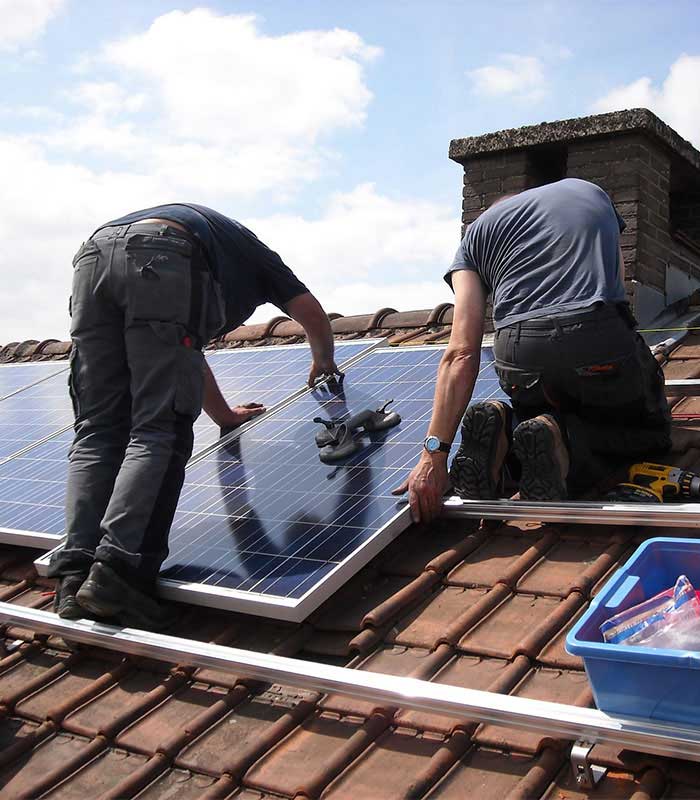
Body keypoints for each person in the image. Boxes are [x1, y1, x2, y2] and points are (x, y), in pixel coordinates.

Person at [49, 203, 337, 627]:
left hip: (93, 258)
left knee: (97, 431)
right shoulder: (259, 259)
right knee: (158, 430)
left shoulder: (221, 248)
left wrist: (223, 415)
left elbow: (182, 354)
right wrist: (324, 362)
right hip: (161, 253)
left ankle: (73, 579)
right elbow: (312, 314)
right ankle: (118, 573)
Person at [394, 178, 671, 523]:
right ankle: (565, 443)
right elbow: (617, 289)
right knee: (649, 430)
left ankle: (506, 429)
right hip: (594, 332)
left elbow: (461, 351)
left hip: (518, 352)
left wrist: (434, 453)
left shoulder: (473, 238)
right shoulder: (590, 191)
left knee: (537, 412)